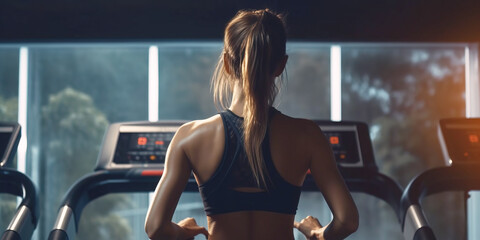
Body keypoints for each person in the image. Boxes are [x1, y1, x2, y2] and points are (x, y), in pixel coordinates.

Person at [144, 9, 358, 240]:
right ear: (280, 66)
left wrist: (183, 232)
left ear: (226, 62)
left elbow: (156, 228)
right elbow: (347, 220)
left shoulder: (189, 137)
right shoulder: (307, 136)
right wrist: (317, 234)